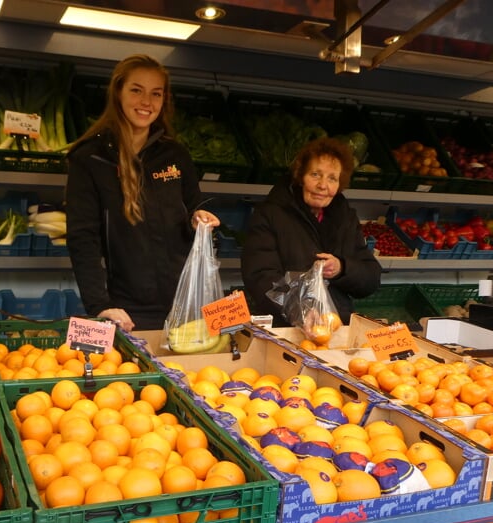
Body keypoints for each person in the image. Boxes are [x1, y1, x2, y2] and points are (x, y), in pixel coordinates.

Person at [65, 54, 220, 332]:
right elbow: (82, 239)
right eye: (136, 90)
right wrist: (100, 305)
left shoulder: (175, 154)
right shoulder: (90, 159)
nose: (147, 102)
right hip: (127, 310)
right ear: (118, 92)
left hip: (185, 303)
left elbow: (194, 205)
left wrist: (200, 217)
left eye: (156, 94)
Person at [241, 136, 382, 327]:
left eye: (332, 178)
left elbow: (371, 278)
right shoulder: (269, 215)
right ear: (300, 176)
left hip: (337, 327)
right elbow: (260, 277)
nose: (323, 185)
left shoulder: (346, 218)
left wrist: (341, 268)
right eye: (315, 174)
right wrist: (300, 311)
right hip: (287, 330)